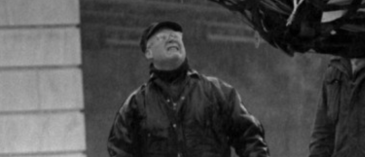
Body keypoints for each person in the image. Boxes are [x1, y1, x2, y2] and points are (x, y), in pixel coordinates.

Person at [107, 20, 270, 157]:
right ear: (148, 52)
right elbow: (119, 151)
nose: (171, 39)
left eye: (176, 36)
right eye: (162, 37)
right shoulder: (135, 105)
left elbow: (250, 137)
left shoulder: (217, 91)